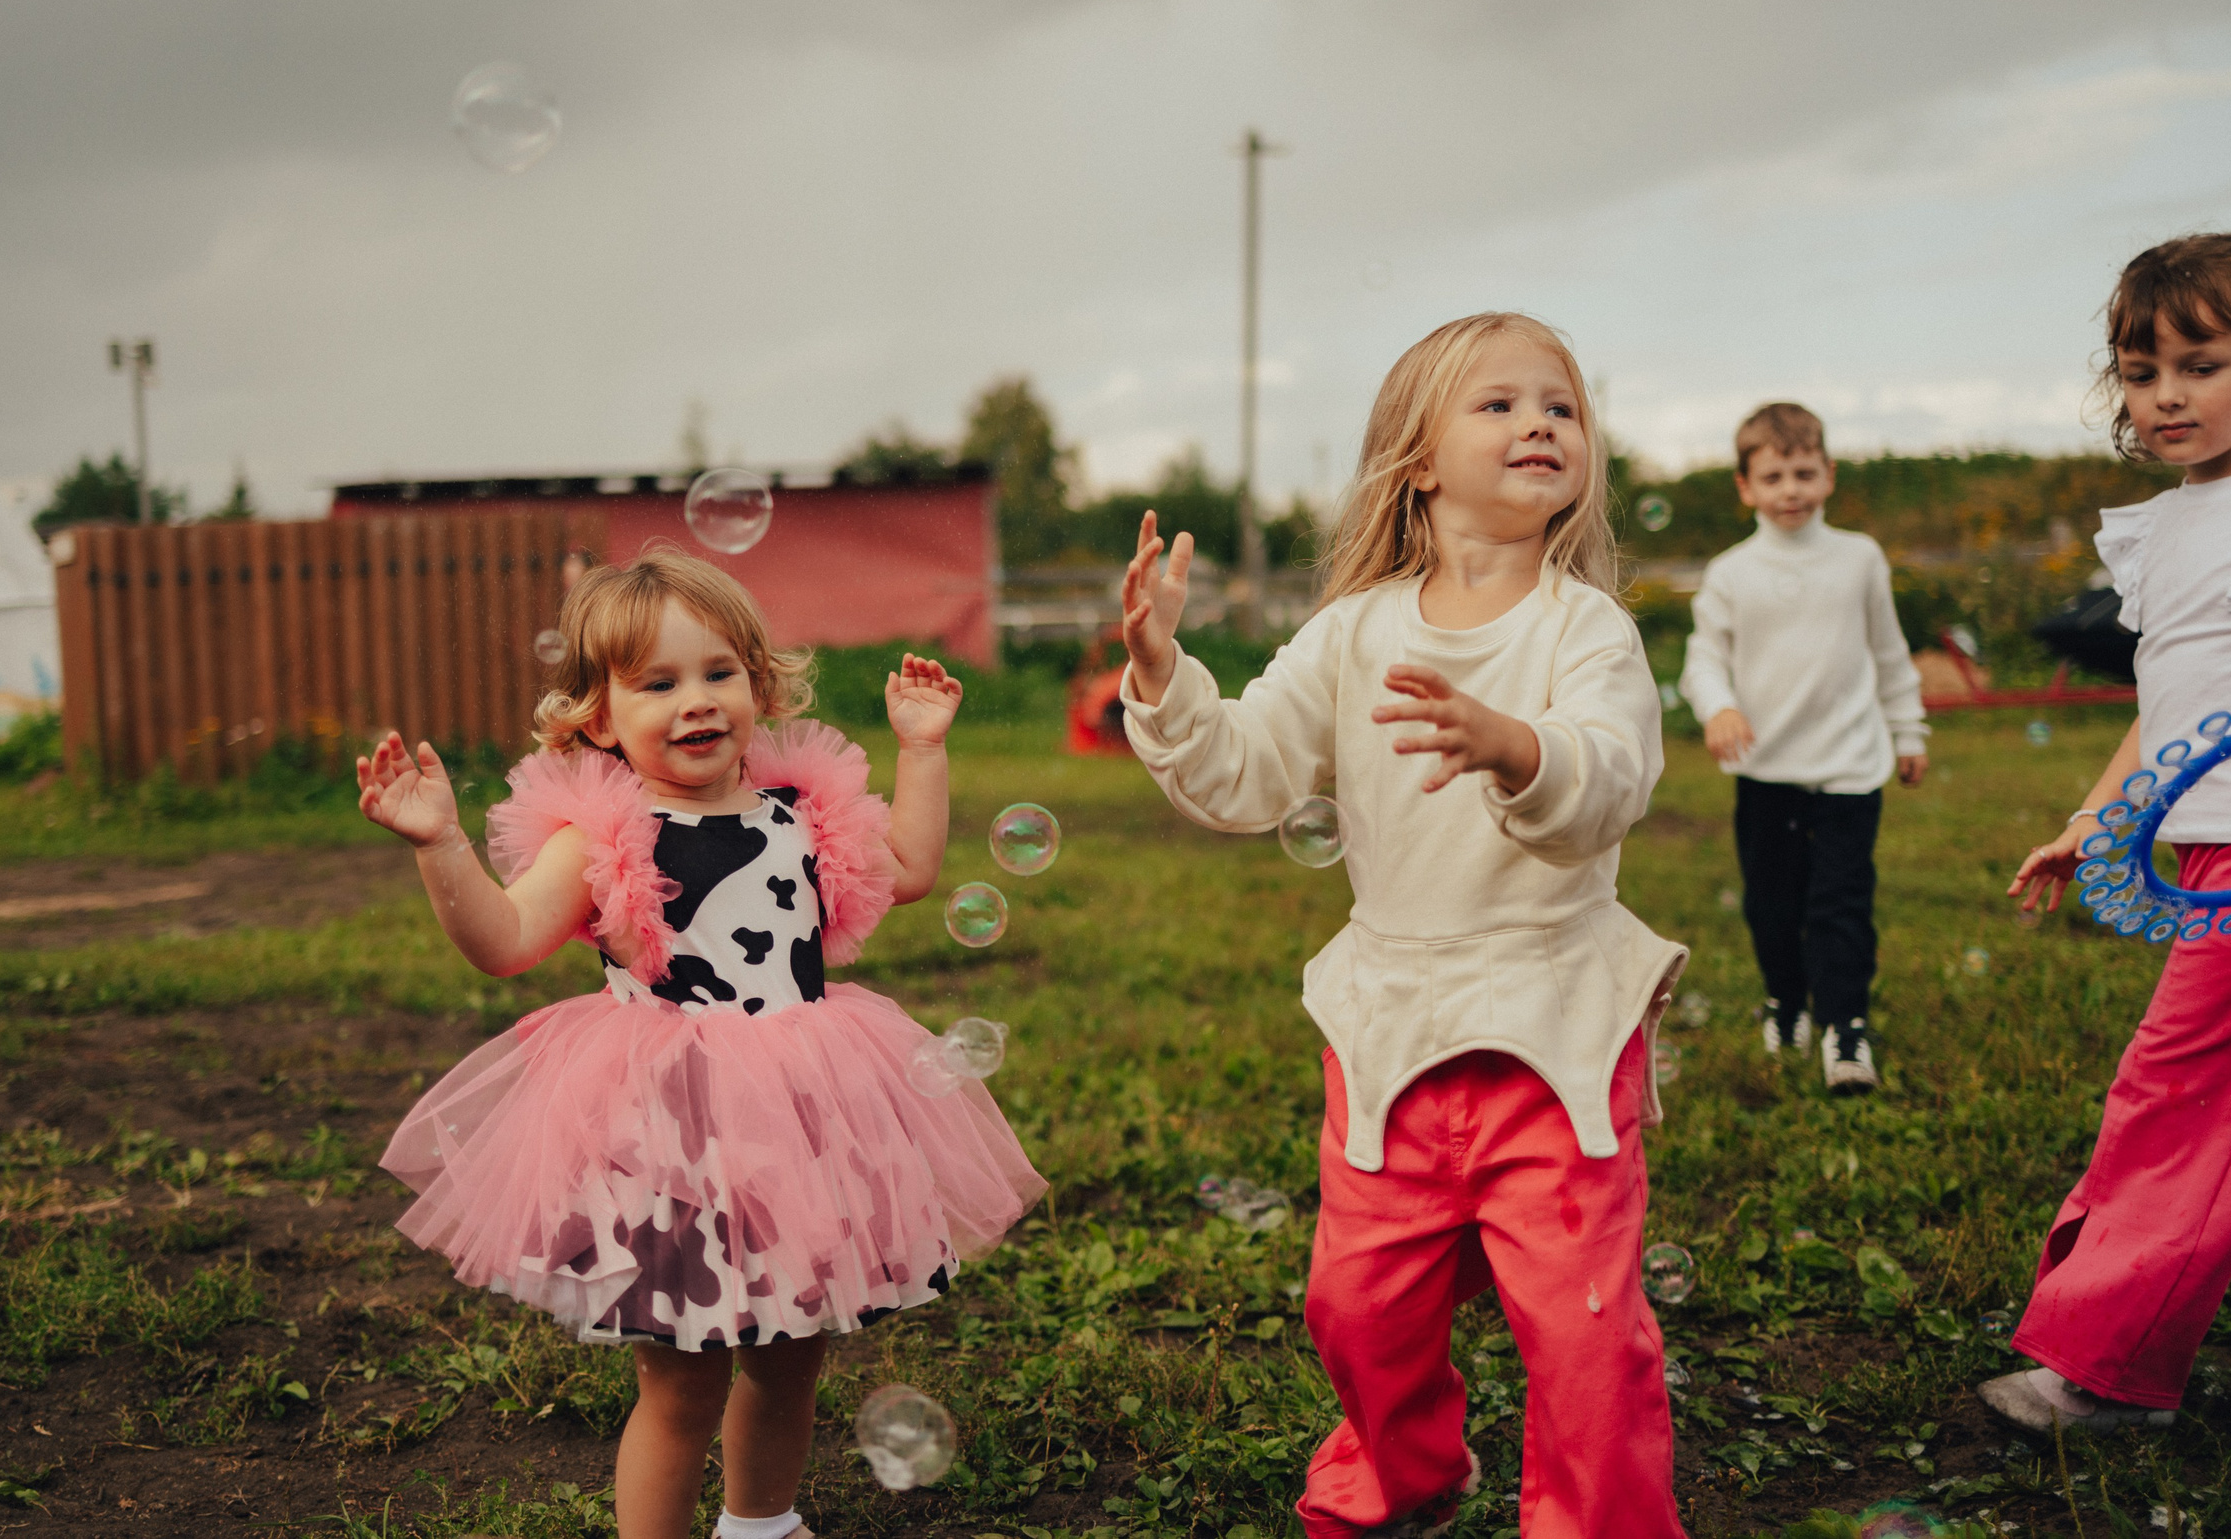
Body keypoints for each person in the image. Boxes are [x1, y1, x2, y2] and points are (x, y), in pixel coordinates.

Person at [1117, 312, 1689, 1539]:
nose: (1538, 421)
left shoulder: (1585, 627)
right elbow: (1249, 775)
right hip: (1391, 1026)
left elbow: (1608, 780)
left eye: (1561, 405)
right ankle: (1407, 1469)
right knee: (1357, 1308)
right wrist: (1167, 678)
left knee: (1584, 1337)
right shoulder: (1354, 632)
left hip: (1555, 1026)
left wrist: (1515, 746)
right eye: (1497, 404)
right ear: (1416, 460)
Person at [356, 549, 1045, 1539]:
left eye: (719, 673)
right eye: (658, 683)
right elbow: (502, 943)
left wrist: (923, 748)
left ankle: (759, 1523)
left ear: (757, 685)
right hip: (665, 1134)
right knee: (678, 1383)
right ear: (598, 717)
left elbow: (915, 869)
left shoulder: (801, 815)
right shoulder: (599, 835)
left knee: (791, 1349)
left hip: (800, 1118)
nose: (697, 702)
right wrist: (440, 848)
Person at [1983, 231, 2231, 1435]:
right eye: (2137, 369)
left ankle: (2108, 1368)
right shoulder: (2160, 533)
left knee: (2178, 1093)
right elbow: (2170, 715)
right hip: (2215, 852)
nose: (2163, 394)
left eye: (2198, 364)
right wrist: (2091, 820)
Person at [1677, 402, 1929, 1094]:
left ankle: (1845, 1026)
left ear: (1829, 476)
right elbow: (1704, 657)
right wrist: (1718, 705)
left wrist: (1908, 731)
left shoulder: (1859, 559)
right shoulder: (1731, 572)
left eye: (1803, 472)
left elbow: (1889, 653)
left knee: (1840, 903)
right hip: (1766, 773)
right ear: (1745, 486)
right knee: (1772, 904)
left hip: (1850, 767)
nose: (1789, 488)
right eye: (1773, 475)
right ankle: (1785, 1001)